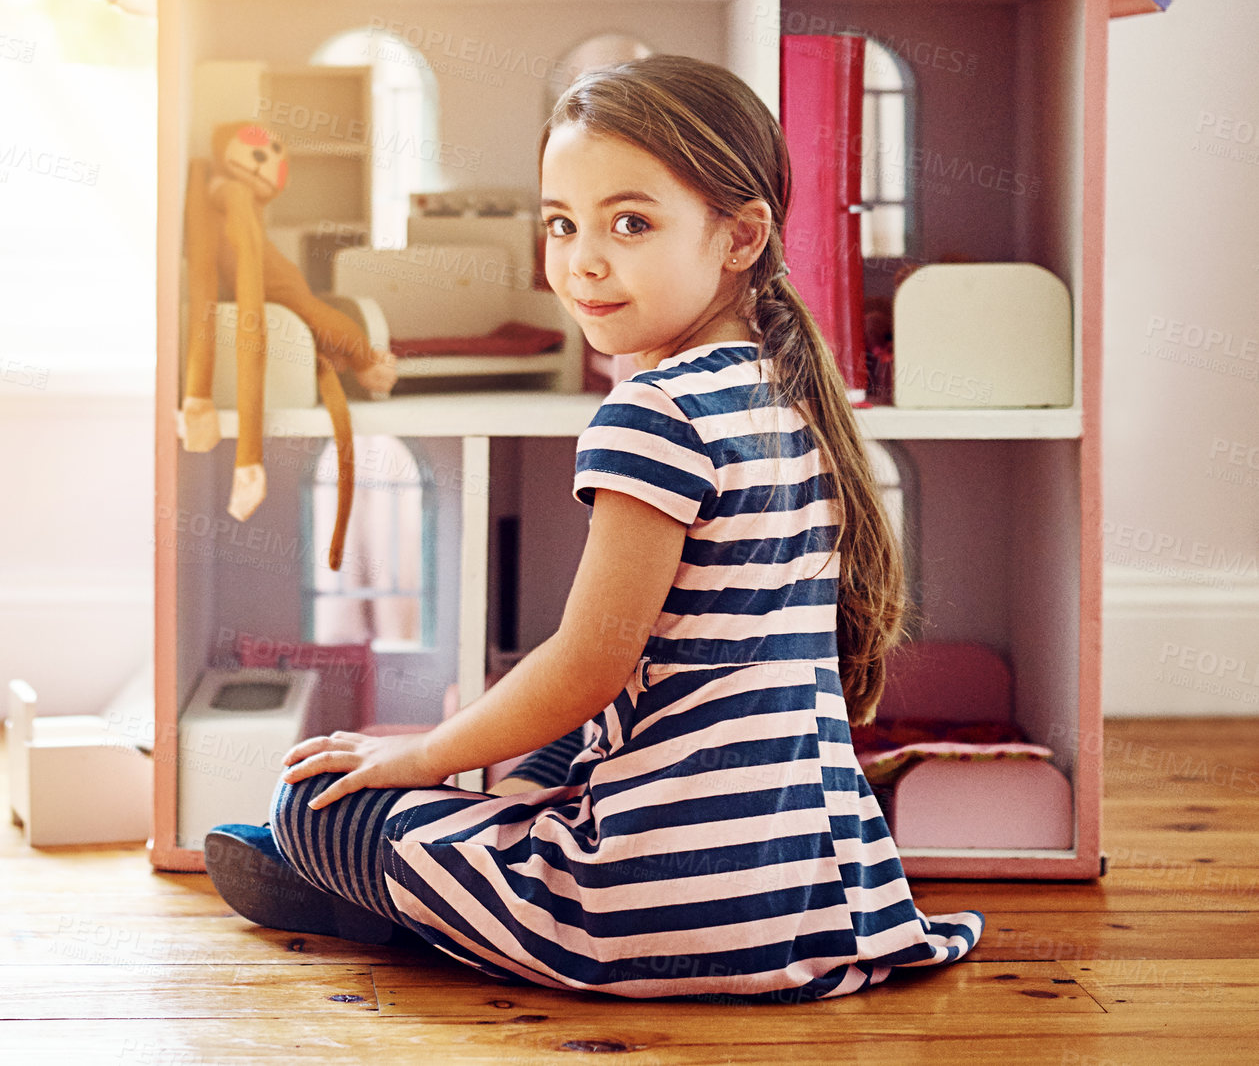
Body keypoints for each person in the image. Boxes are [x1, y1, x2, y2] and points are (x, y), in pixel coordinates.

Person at [205, 52, 983, 1002]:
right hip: (823, 896)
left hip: (662, 908)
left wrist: (409, 756)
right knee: (548, 753)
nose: (582, 260)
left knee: (311, 807)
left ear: (739, 236)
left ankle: (385, 889)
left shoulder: (652, 411)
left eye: (630, 222)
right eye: (561, 224)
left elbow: (586, 665)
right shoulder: (792, 392)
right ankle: (427, 876)